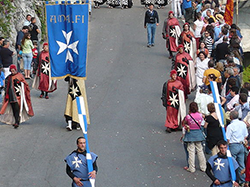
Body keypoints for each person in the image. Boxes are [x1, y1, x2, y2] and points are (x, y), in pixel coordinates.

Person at [0, 64, 34, 128]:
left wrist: (19, 83)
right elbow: (6, 86)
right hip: (11, 96)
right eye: (11, 71)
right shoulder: (9, 77)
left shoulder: (20, 76)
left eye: (13, 71)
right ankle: (16, 120)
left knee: (17, 109)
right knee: (14, 109)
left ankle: (17, 122)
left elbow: (25, 85)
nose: (12, 72)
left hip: (19, 97)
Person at [182, 102, 206, 173]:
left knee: (191, 151)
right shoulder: (200, 115)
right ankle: (203, 167)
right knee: (200, 150)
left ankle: (191, 167)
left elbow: (184, 123)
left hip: (191, 134)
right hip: (198, 134)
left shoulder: (188, 116)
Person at [226, 110, 248, 185]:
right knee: (241, 164)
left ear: (231, 117)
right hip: (241, 145)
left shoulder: (230, 126)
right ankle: (243, 180)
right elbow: (246, 135)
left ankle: (233, 179)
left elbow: (227, 138)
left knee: (232, 164)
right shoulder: (242, 124)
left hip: (233, 145)